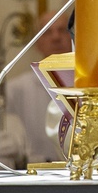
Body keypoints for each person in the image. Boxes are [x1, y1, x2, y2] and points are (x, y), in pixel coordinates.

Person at [5, 10, 72, 163]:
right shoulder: (15, 89)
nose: (55, 37)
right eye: (47, 32)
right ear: (37, 42)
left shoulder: (89, 85)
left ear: (73, 36)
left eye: (62, 30)